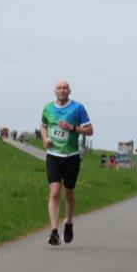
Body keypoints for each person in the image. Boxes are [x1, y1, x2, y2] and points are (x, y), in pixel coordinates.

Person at [39, 81, 93, 245]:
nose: (62, 90)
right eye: (59, 88)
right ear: (54, 91)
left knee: (69, 193)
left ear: (69, 91)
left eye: (65, 88)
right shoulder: (48, 108)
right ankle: (54, 231)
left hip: (71, 156)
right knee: (55, 192)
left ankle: (68, 222)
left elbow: (90, 130)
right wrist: (45, 138)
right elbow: (43, 126)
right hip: (53, 155)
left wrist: (72, 127)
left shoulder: (78, 108)